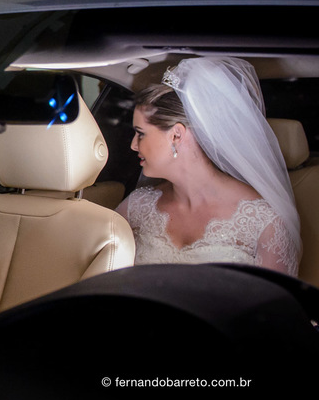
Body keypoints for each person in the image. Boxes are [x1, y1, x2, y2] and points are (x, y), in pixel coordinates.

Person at [116, 57, 301, 275]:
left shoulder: (264, 221)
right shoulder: (136, 208)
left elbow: (276, 296)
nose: (133, 145)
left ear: (176, 135)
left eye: (140, 134)